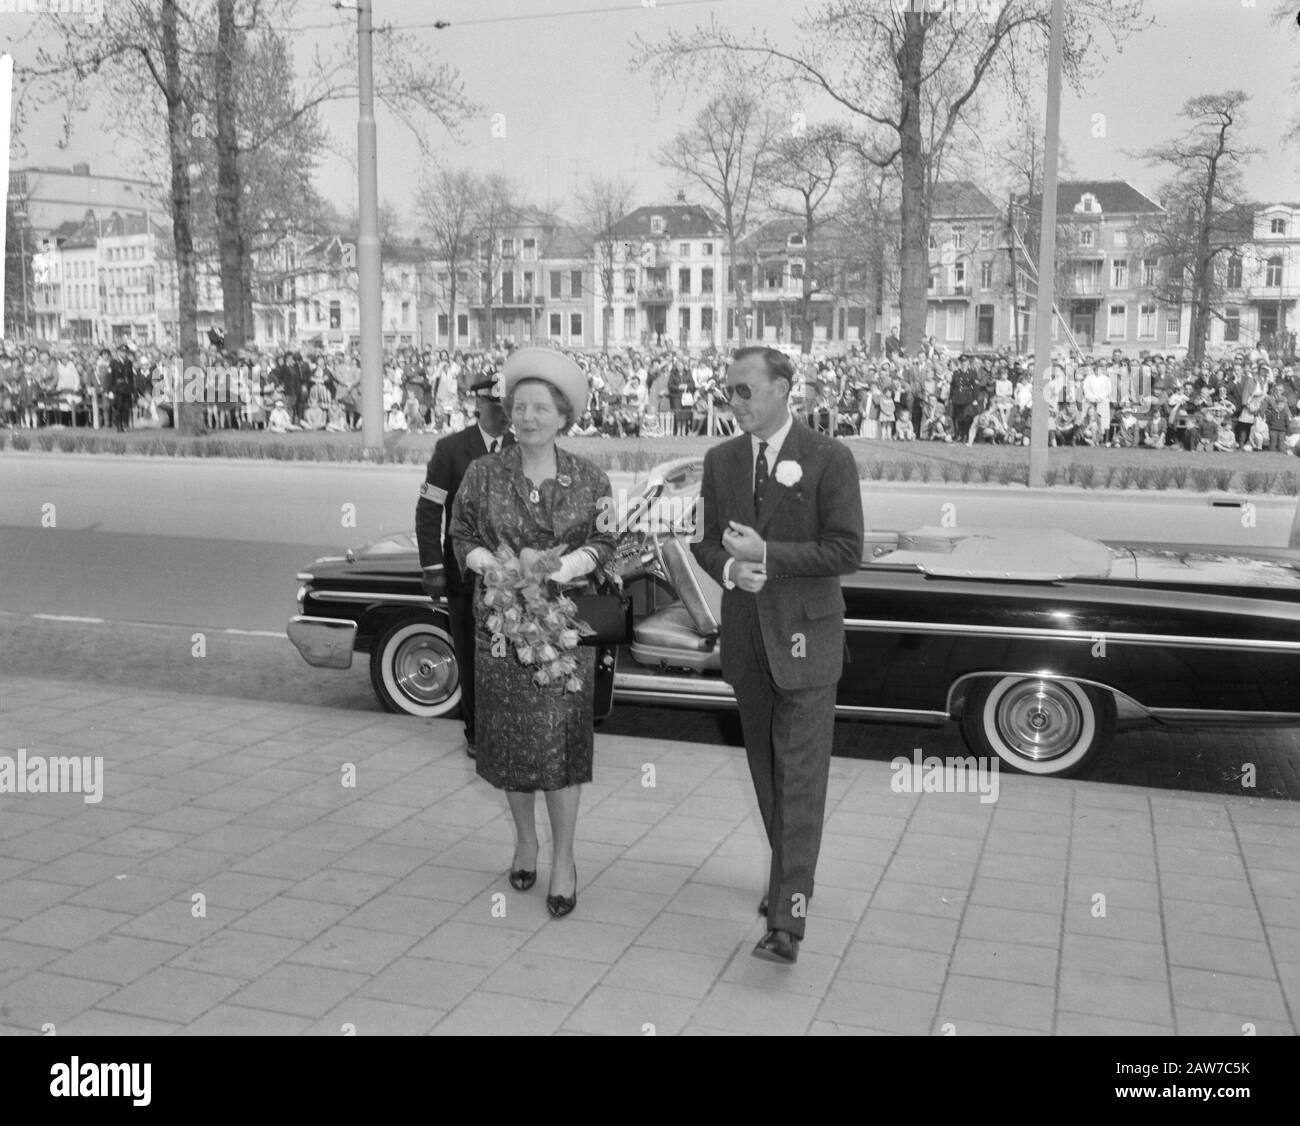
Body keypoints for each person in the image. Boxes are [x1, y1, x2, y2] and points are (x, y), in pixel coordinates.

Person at [692, 346, 864, 965]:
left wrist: (770, 554)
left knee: (801, 780)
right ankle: (788, 880)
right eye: (729, 391)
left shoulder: (829, 458)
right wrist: (735, 568)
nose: (733, 402)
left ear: (784, 389)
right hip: (747, 643)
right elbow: (706, 545)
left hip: (807, 643)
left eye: (744, 391)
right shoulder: (722, 460)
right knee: (768, 775)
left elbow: (847, 550)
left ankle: (788, 917)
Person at [449, 347, 613, 918]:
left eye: (540, 408)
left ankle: (565, 859)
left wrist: (561, 568)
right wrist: (489, 568)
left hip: (562, 629)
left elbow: (608, 541)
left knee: (559, 746)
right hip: (501, 627)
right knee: (511, 740)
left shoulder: (590, 476)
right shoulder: (482, 472)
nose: (527, 418)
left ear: (563, 416)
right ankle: (525, 841)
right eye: (519, 407)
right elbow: (462, 533)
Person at [415, 376, 514, 758]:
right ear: (479, 405)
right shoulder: (451, 450)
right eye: (496, 406)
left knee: (507, 654)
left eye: (507, 406)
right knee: (472, 655)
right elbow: (429, 510)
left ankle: (506, 728)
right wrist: (432, 566)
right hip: (462, 574)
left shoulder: (520, 450)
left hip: (509, 575)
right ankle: (476, 733)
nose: (503, 414)